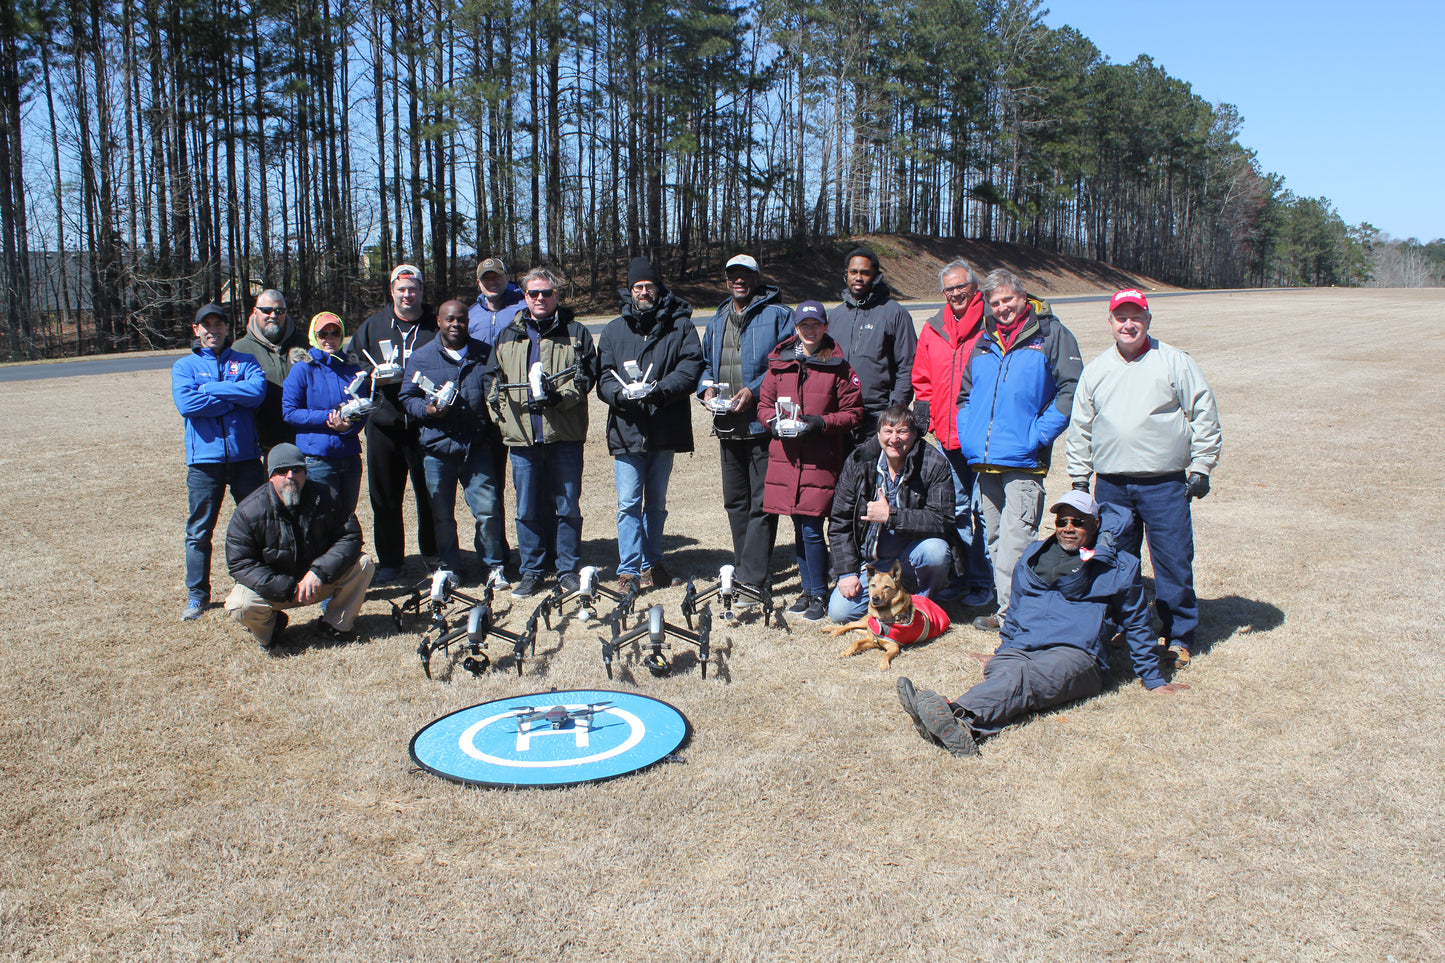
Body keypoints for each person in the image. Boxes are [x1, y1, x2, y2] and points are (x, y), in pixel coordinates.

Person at [896, 491, 1190, 757]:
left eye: (1078, 521)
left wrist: (1153, 680)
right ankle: (960, 728)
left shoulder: (1117, 565)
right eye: (1062, 521)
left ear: (1096, 525)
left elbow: (1137, 623)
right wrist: (1002, 652)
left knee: (1024, 680)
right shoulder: (1034, 556)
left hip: (1076, 655)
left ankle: (954, 713)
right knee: (1008, 677)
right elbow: (1017, 610)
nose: (1068, 528)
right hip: (1023, 647)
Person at [1067, 288, 1223, 670]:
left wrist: (1201, 467)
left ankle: (1179, 634)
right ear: (1110, 322)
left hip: (1164, 482)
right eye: (1121, 317)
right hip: (1113, 484)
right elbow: (1080, 427)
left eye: (1136, 316)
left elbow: (1203, 413)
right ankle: (1123, 623)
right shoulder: (1098, 369)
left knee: (1172, 560)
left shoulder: (1174, 362)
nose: (1128, 324)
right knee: (1115, 559)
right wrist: (1079, 479)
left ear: (1148, 320)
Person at [956, 268, 1082, 632]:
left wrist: (1038, 434)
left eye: (1008, 299)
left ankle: (1020, 616)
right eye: (995, 302)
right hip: (985, 460)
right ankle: (1007, 611)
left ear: (1024, 298)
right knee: (994, 541)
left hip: (1024, 461)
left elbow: (1072, 389)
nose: (1002, 307)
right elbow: (966, 395)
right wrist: (969, 435)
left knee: (1016, 541)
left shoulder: (1050, 334)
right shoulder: (984, 340)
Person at [483, 267, 599, 599]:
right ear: (524, 296)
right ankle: (532, 571)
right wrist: (502, 419)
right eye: (533, 293)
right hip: (522, 438)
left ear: (557, 296)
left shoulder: (575, 332)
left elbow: (585, 377)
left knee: (567, 507)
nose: (540, 298)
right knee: (527, 509)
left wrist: (558, 398)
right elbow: (493, 381)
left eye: (546, 293)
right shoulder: (508, 335)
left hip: (564, 436)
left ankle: (566, 570)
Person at [596, 258, 704, 593]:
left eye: (649, 286)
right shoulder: (614, 330)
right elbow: (603, 376)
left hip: (663, 426)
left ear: (658, 289)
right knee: (628, 502)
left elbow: (691, 367)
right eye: (638, 287)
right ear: (630, 291)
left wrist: (660, 392)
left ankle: (652, 563)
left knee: (656, 503)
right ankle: (628, 569)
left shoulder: (680, 326)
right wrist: (621, 395)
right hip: (627, 429)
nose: (644, 292)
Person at [756, 301, 862, 620]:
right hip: (787, 460)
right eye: (804, 325)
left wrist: (821, 423)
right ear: (796, 328)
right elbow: (764, 404)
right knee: (799, 526)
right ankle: (807, 588)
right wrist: (772, 423)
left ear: (825, 327)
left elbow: (854, 412)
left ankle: (819, 593)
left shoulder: (839, 366)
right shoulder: (780, 364)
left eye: (816, 324)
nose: (810, 330)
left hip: (820, 459)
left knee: (813, 526)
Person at [697, 253, 794, 594]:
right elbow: (705, 363)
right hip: (727, 424)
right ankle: (747, 568)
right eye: (732, 275)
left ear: (756, 277)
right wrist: (705, 388)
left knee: (762, 501)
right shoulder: (719, 317)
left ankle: (752, 579)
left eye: (745, 275)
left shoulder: (779, 315)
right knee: (735, 501)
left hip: (761, 424)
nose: (738, 281)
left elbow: (785, 363)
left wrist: (753, 391)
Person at [224, 443, 375, 652]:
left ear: (305, 472)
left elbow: (350, 536)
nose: (290, 476)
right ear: (270, 475)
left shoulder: (327, 496)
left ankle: (334, 625)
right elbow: (241, 564)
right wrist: (288, 588)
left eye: (297, 470)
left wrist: (318, 572)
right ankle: (270, 633)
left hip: (317, 582)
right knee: (239, 604)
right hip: (277, 589)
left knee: (364, 564)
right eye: (281, 471)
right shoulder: (248, 511)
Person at [399, 299, 507, 589]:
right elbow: (407, 397)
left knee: (488, 510)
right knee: (442, 514)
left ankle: (493, 565)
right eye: (449, 319)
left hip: (477, 446)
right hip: (437, 448)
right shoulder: (421, 358)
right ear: (439, 321)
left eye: (461, 319)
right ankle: (450, 566)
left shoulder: (484, 354)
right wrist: (428, 411)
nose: (456, 324)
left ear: (467, 322)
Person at [173, 303, 268, 622]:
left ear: (228, 328)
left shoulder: (246, 361)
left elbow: (255, 394)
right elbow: (187, 403)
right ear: (196, 329)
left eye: (219, 324)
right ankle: (197, 595)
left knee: (259, 524)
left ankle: (260, 583)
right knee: (200, 530)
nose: (213, 330)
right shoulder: (184, 367)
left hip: (245, 459)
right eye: (206, 325)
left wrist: (211, 389)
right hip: (205, 462)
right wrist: (233, 397)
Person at [348, 263, 439, 583]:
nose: (407, 294)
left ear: (421, 291)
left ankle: (433, 553)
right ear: (391, 292)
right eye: (401, 289)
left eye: (412, 288)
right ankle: (391, 561)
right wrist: (370, 377)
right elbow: (352, 365)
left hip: (425, 423)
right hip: (384, 424)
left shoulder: (435, 325)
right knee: (385, 496)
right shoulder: (373, 327)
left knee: (431, 494)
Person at [911, 257, 993, 607]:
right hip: (947, 438)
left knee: (986, 511)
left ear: (975, 287)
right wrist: (925, 421)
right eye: (950, 288)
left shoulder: (992, 323)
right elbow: (922, 379)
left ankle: (984, 580)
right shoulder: (933, 327)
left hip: (985, 438)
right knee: (957, 509)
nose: (956, 293)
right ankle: (961, 575)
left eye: (962, 286)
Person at [827, 405, 954, 624]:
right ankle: (890, 598)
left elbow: (943, 520)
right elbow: (840, 521)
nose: (894, 439)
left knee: (936, 551)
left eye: (902, 432)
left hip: (911, 560)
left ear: (914, 434)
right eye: (888, 431)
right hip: (873, 565)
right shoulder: (858, 462)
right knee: (840, 613)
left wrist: (891, 515)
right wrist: (847, 573)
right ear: (878, 435)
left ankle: (921, 604)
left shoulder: (935, 464)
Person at [467, 256, 527, 568]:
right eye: (486, 278)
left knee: (527, 484)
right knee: (490, 487)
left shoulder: (523, 306)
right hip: (482, 410)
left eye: (497, 276)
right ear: (479, 282)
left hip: (518, 409)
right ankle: (497, 553)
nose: (492, 282)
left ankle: (534, 551)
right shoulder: (470, 315)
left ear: (507, 278)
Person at [281, 312, 367, 516]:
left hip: (349, 455)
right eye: (323, 334)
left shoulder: (352, 369)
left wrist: (349, 427)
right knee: (320, 518)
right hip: (317, 458)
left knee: (346, 516)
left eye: (335, 333)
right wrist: (330, 416)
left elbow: (362, 409)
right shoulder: (303, 369)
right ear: (314, 336)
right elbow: (290, 412)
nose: (329, 339)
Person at [826, 247, 917, 437]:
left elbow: (907, 366)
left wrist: (894, 411)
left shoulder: (894, 314)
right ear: (846, 275)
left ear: (875, 276)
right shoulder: (836, 316)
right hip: (839, 416)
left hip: (877, 417)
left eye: (865, 272)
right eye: (853, 272)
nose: (858, 277)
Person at [231, 289, 310, 451]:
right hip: (261, 446)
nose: (273, 316)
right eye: (266, 310)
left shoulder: (304, 343)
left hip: (304, 441)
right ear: (255, 311)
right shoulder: (240, 349)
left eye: (279, 311)